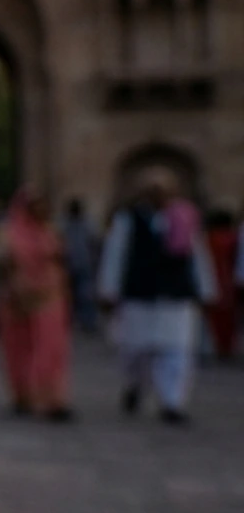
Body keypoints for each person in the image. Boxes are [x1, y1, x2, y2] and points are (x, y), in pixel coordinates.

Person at [97, 171, 217, 424]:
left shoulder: (184, 218)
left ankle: (172, 402)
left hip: (175, 294)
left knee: (176, 350)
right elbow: (116, 255)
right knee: (136, 349)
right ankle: (135, 385)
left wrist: (206, 289)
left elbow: (197, 255)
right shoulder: (128, 220)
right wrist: (109, 289)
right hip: (140, 293)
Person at [0, 187, 72, 421]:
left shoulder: (50, 232)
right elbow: (0, 263)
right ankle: (23, 395)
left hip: (50, 296)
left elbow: (60, 260)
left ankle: (52, 399)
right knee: (19, 349)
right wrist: (15, 289)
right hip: (17, 299)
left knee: (51, 348)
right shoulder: (8, 233)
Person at [59, 198, 99, 335]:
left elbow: (94, 243)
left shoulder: (88, 224)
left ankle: (88, 322)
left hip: (84, 264)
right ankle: (69, 321)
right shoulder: (64, 224)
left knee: (86, 295)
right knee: (69, 296)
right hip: (68, 265)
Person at [205, 209, 237, 358]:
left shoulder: (209, 239)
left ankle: (219, 345)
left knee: (216, 316)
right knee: (227, 316)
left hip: (214, 279)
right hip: (227, 280)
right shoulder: (231, 239)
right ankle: (225, 346)